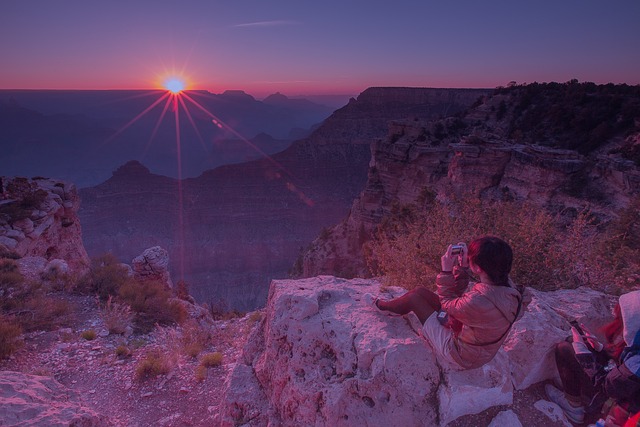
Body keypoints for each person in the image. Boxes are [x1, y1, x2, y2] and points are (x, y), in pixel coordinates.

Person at [368, 235, 524, 370]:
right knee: (420, 291)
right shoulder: (510, 290)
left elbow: (447, 303)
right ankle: (395, 306)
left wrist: (446, 271)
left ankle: (383, 307)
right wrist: (462, 269)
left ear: (477, 268)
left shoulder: (479, 300)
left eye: (470, 258)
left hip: (461, 354)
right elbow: (459, 301)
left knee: (414, 299)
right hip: (478, 345)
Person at [546, 290, 640, 425]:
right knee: (581, 345)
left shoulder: (637, 365)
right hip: (623, 393)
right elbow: (622, 371)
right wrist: (600, 349)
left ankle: (573, 406)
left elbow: (606, 386)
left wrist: (582, 353)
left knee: (565, 349)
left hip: (612, 405)